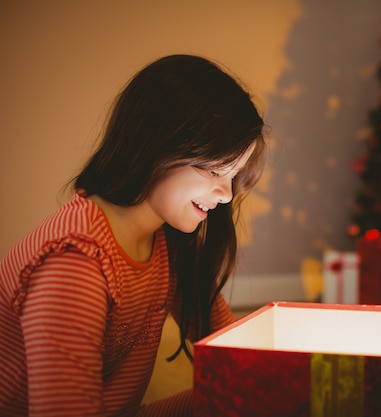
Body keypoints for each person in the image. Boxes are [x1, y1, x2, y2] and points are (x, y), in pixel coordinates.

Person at [0, 54, 267, 416]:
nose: (227, 194)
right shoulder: (75, 261)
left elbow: (235, 351)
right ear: (159, 146)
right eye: (216, 170)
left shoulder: (169, 240)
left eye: (232, 176)